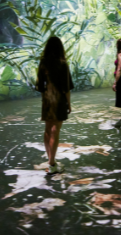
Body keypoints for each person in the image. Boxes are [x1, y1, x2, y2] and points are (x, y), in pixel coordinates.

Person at [36, 37, 74, 174]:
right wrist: (68, 104)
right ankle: (52, 164)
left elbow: (40, 85)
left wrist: (44, 99)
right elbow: (66, 88)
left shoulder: (43, 63)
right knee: (55, 130)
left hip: (47, 98)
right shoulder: (62, 64)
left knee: (47, 130)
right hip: (58, 99)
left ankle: (50, 161)